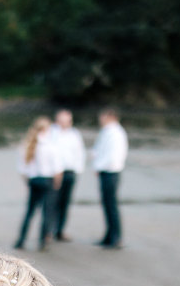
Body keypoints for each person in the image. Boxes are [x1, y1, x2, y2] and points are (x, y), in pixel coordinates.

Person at [13, 117, 60, 251]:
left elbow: (22, 170)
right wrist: (57, 184)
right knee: (47, 211)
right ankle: (43, 241)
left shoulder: (27, 145)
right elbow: (57, 169)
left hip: (34, 180)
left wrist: (28, 181)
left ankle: (21, 239)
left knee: (30, 211)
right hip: (48, 180)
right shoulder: (50, 146)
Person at [45, 109, 86, 242]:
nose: (64, 123)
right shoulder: (50, 132)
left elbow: (80, 153)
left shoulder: (74, 134)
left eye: (67, 121)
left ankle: (60, 230)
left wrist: (78, 170)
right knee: (52, 202)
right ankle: (48, 231)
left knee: (65, 202)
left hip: (70, 171)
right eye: (62, 121)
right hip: (55, 173)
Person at [93, 107, 127, 249]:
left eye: (102, 116)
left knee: (111, 205)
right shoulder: (107, 131)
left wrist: (99, 166)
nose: (100, 119)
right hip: (105, 171)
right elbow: (99, 150)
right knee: (106, 204)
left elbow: (113, 156)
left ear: (110, 117)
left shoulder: (116, 133)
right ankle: (108, 236)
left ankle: (116, 238)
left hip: (111, 172)